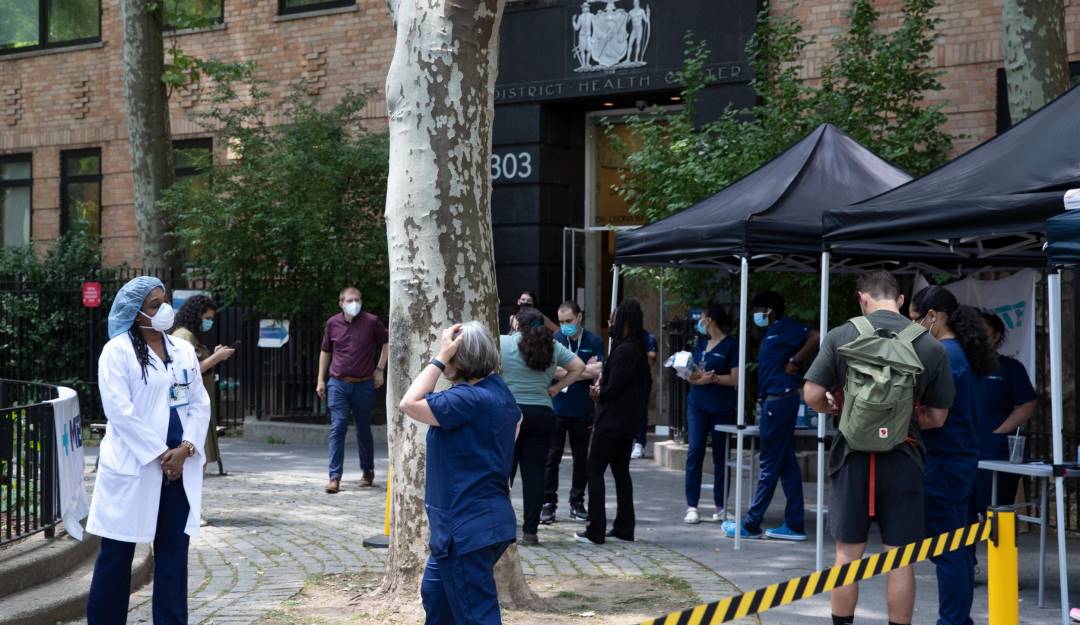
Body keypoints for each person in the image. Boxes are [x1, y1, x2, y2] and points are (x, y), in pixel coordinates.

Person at [804, 271, 954, 625]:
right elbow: (938, 417)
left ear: (862, 299)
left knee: (846, 556)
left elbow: (811, 395)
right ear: (901, 300)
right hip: (903, 455)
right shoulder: (930, 346)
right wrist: (903, 418)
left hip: (852, 456)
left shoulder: (841, 336)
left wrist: (839, 410)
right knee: (900, 558)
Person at [86, 276, 211, 624]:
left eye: (164, 301)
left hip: (177, 469)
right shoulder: (117, 352)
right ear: (136, 311)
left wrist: (186, 448)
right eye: (155, 304)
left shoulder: (182, 350)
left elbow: (199, 403)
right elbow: (119, 411)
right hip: (136, 467)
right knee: (116, 556)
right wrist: (161, 453)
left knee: (173, 557)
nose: (164, 309)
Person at [398, 322, 521, 625]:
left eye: (450, 355)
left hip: (465, 528)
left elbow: (409, 403)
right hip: (480, 523)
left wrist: (438, 358)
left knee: (475, 616)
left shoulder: (466, 399)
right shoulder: (497, 391)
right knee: (436, 595)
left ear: (459, 359)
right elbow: (519, 420)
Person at [909, 286, 999, 625]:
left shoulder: (943, 355)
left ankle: (953, 620)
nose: (913, 328)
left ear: (932, 317)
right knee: (958, 549)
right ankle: (959, 618)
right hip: (960, 459)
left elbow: (935, 417)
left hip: (943, 461)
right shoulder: (963, 352)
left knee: (946, 550)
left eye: (915, 320)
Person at [723, 290, 818, 541]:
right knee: (786, 465)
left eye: (757, 310)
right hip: (775, 401)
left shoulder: (785, 327)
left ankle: (752, 523)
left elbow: (816, 336)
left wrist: (796, 360)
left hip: (779, 400)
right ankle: (795, 523)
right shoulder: (773, 331)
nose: (755, 315)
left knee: (768, 464)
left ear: (770, 311)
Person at [500, 306, 585, 544]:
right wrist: (557, 388)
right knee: (535, 475)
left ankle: (504, 529)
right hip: (543, 413)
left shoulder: (503, 343)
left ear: (517, 323)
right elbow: (579, 367)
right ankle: (530, 531)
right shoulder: (553, 346)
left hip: (510, 414)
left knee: (505, 473)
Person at [575, 298, 652, 545]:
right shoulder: (637, 349)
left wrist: (599, 392)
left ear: (624, 322)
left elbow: (614, 387)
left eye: (614, 318)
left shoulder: (624, 350)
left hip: (611, 422)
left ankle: (596, 529)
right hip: (627, 422)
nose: (610, 322)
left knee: (594, 470)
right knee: (621, 473)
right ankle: (623, 526)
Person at [316, 287, 389, 494]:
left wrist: (380, 369)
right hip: (338, 382)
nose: (354, 302)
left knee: (363, 427)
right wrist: (321, 379)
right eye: (350, 300)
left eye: (357, 299)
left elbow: (386, 342)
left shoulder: (372, 322)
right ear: (341, 303)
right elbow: (325, 351)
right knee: (337, 427)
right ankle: (334, 477)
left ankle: (367, 471)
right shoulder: (332, 323)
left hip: (364, 383)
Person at [541, 302, 603, 524]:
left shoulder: (594, 341)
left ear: (579, 318)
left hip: (582, 409)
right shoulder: (555, 339)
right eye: (561, 322)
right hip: (557, 407)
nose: (564, 326)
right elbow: (551, 370)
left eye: (568, 321)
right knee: (552, 457)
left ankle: (577, 503)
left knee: (581, 459)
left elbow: (600, 369)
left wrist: (568, 370)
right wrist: (583, 369)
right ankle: (548, 503)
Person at [972, 312, 1036, 513]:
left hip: (993, 450)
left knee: (995, 509)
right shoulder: (957, 363)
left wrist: (1000, 432)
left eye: (983, 329)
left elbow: (1027, 404)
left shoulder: (1009, 368)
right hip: (962, 446)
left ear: (996, 335)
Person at [683, 302, 739, 524]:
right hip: (697, 404)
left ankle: (721, 506)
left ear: (710, 320)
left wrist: (714, 379)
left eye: (702, 318)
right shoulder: (700, 342)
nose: (700, 322)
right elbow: (691, 373)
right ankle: (692, 505)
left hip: (721, 406)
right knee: (695, 450)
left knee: (720, 456)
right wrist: (696, 378)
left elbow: (735, 378)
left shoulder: (731, 346)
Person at [170, 295, 235, 476]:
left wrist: (213, 356)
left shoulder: (190, 335)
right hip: (188, 399)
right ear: (196, 315)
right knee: (196, 449)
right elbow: (188, 371)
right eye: (206, 318)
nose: (209, 323)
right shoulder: (183, 336)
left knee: (200, 451)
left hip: (197, 396)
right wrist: (216, 358)